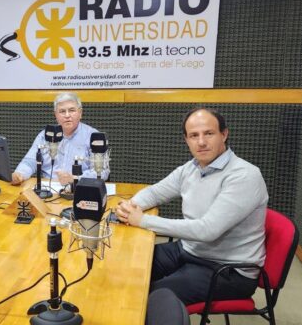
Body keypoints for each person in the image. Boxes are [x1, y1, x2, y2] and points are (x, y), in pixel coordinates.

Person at [115, 108, 268, 305]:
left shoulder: (244, 175)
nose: (201, 142)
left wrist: (143, 220)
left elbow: (207, 230)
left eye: (209, 133)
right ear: (186, 140)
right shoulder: (191, 168)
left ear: (224, 134)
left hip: (227, 269)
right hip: (189, 249)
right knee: (122, 267)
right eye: (194, 135)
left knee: (143, 296)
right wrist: (131, 206)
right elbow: (154, 192)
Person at [11, 92, 108, 186]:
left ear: (80, 113)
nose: (67, 115)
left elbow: (102, 172)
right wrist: (20, 174)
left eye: (71, 110)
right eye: (62, 111)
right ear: (56, 115)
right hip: (48, 189)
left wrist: (75, 178)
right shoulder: (45, 135)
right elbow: (30, 161)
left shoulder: (94, 137)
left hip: (80, 188)